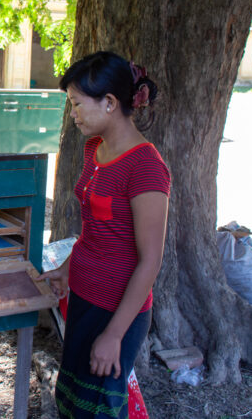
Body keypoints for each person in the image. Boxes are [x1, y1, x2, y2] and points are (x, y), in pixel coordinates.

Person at [39, 51, 170, 418]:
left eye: (77, 104)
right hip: (83, 295)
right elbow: (97, 231)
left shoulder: (145, 167)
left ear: (109, 103)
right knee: (73, 398)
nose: (74, 114)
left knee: (98, 408)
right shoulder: (94, 149)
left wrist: (113, 335)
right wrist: (67, 268)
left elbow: (151, 261)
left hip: (117, 309)